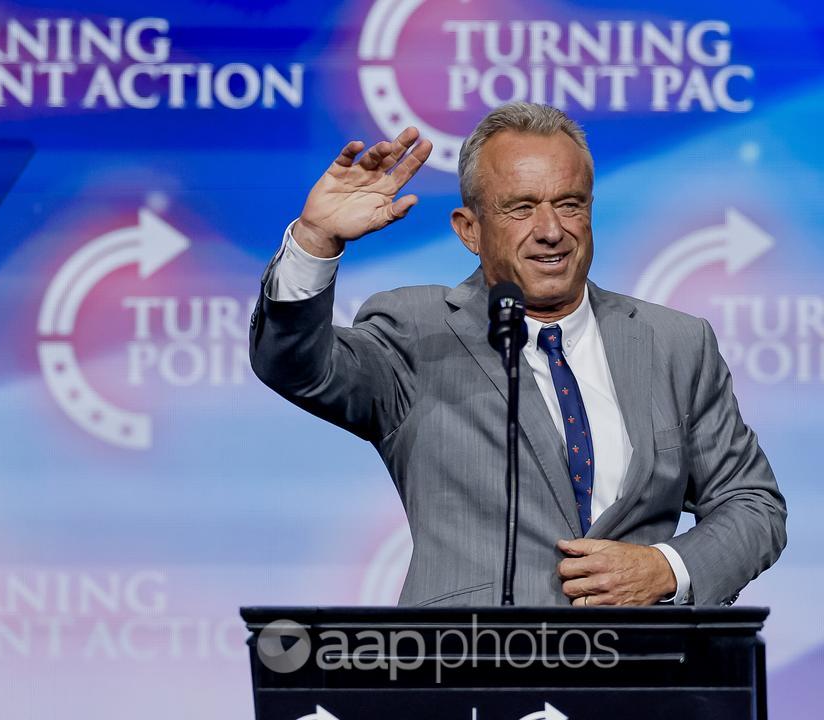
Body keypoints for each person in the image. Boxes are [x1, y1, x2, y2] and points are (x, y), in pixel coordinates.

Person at [250, 102, 786, 607]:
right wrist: (316, 241)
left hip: (642, 675)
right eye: (521, 208)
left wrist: (666, 568)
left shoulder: (675, 343)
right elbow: (297, 366)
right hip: (467, 673)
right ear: (470, 230)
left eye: (569, 205)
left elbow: (753, 504)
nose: (551, 231)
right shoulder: (416, 331)